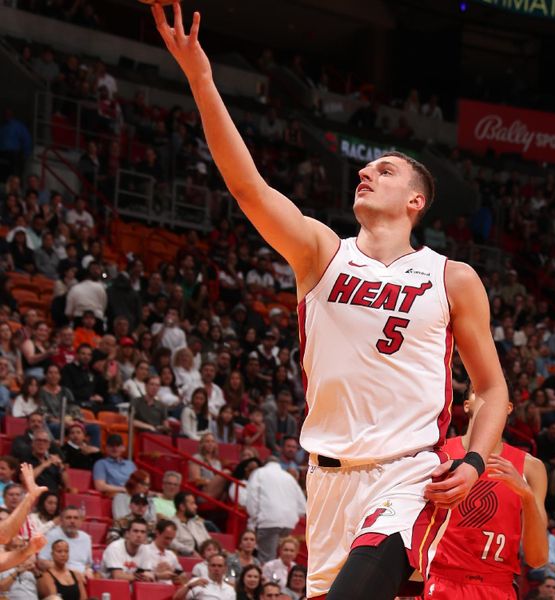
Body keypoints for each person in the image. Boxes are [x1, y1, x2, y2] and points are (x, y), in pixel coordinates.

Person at [152, 7, 508, 599]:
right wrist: (201, 79)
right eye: (366, 166)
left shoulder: (453, 277)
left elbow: (493, 391)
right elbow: (248, 187)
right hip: (326, 480)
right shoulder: (321, 252)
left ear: (417, 200)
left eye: (385, 169)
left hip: (408, 477)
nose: (366, 170)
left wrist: (472, 462)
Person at [424, 391, 548, 599]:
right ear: (466, 405)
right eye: (479, 390)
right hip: (439, 580)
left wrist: (526, 495)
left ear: (508, 408)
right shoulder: (438, 454)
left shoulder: (531, 468)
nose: (488, 396)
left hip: (497, 587)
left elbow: (538, 558)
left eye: (495, 391)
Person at [246, 459, 305, 563]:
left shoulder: (259, 473)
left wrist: (254, 517)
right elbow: (302, 506)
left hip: (268, 521)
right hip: (288, 523)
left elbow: (252, 496)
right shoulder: (289, 477)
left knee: (267, 559)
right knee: (281, 560)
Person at [0, 464, 48, 574]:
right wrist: (29, 497)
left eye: (18, 495)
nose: (14, 498)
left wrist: (27, 550)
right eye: (11, 495)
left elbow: (2, 562)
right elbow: (4, 535)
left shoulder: (29, 520)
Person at [39, 506, 92, 577]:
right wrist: (69, 572)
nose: (72, 521)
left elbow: (88, 564)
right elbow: (41, 562)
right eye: (68, 518)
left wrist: (88, 570)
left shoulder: (86, 538)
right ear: (61, 521)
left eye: (76, 518)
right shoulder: (52, 535)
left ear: (81, 521)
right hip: (60, 577)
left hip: (82, 578)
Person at [139, 519, 187, 584]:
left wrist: (172, 571)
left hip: (170, 591)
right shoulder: (144, 550)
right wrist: (157, 574)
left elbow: (184, 579)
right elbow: (138, 576)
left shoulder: (171, 555)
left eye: (171, 539)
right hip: (149, 589)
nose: (169, 542)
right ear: (157, 533)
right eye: (166, 538)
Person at [170, 492, 211, 556]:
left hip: (206, 558)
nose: (196, 507)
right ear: (182, 507)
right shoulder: (170, 524)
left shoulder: (198, 523)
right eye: (192, 504)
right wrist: (190, 551)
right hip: (186, 558)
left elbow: (209, 542)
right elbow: (171, 542)